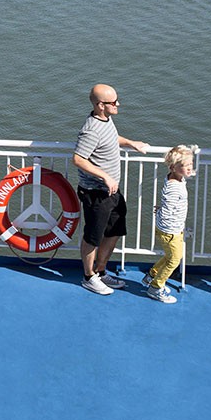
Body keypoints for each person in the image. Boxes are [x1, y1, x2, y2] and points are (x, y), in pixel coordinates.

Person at [72, 83, 151, 295]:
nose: (118, 104)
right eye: (113, 102)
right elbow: (78, 159)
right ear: (100, 105)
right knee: (93, 236)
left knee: (114, 230)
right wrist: (105, 176)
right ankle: (88, 277)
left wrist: (132, 143)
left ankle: (100, 270)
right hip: (96, 192)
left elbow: (111, 139)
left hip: (112, 192)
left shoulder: (106, 120)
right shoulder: (90, 129)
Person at [144, 144, 195, 303]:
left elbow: (167, 203)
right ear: (173, 167)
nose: (189, 168)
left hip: (172, 229)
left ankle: (151, 276)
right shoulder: (174, 187)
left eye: (191, 164)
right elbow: (167, 208)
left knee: (169, 256)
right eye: (185, 166)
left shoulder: (174, 178)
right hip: (170, 230)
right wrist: (162, 213)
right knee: (174, 259)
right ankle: (156, 287)